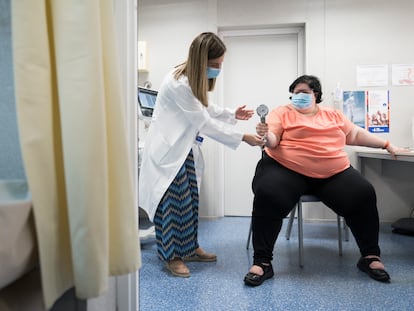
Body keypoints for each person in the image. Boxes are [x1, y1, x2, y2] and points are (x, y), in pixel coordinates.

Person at [243, 74, 404, 286]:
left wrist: (386, 144)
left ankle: (370, 256)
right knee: (268, 192)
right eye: (295, 93)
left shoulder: (333, 115)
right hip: (287, 169)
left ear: (315, 95)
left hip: (333, 172)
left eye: (303, 92)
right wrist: (265, 136)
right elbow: (273, 140)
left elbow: (354, 134)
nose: (298, 96)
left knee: (363, 193)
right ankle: (262, 262)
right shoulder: (282, 112)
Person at [139, 32, 264, 278]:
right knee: (173, 206)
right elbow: (204, 122)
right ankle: (172, 256)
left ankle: (191, 248)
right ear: (200, 61)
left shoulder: (190, 80)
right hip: (168, 154)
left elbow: (203, 107)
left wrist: (231, 113)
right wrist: (243, 137)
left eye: (220, 65)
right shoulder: (178, 83)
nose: (218, 69)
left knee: (191, 202)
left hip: (182, 151)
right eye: (215, 65)